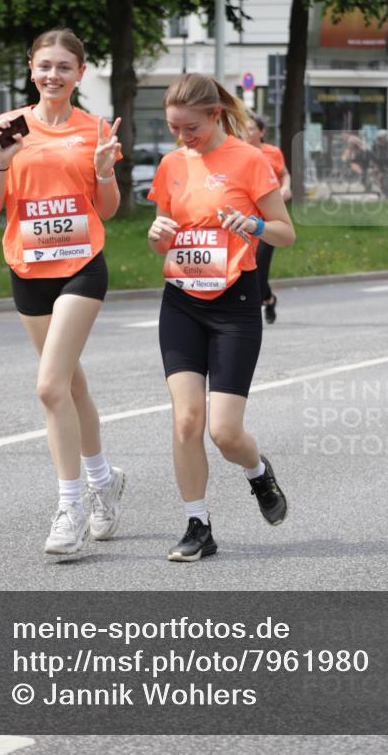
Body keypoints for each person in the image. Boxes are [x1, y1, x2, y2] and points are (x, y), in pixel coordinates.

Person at [0, 28, 125, 558]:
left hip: (81, 267)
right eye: (45, 66)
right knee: (71, 386)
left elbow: (107, 209)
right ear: (30, 68)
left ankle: (70, 506)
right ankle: (104, 480)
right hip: (28, 267)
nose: (53, 75)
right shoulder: (7, 126)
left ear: (81, 73)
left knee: (48, 388)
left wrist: (105, 172)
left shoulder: (95, 130)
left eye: (65, 67)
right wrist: (0, 160)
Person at [147, 73, 296, 561]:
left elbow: (284, 233)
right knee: (187, 421)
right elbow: (162, 237)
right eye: (173, 127)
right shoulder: (171, 164)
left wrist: (253, 223)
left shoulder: (248, 159)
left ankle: (258, 473)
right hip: (181, 302)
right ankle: (198, 524)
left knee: (224, 433)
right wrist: (158, 234)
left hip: (234, 303)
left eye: (189, 127)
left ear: (214, 115)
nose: (181, 137)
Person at [245, 113, 292, 323]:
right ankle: (269, 299)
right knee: (250, 265)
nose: (247, 132)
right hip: (245, 218)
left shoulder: (272, 152)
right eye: (244, 128)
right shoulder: (239, 153)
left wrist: (286, 188)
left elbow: (284, 174)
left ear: (262, 132)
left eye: (252, 128)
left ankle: (250, 315)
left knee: (260, 266)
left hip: (269, 219)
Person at [369, 130, 388, 197]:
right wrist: (374, 165)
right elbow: (372, 157)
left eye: (385, 137)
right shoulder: (375, 146)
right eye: (383, 137)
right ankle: (381, 190)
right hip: (379, 164)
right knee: (380, 176)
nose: (385, 138)